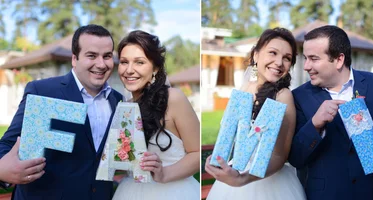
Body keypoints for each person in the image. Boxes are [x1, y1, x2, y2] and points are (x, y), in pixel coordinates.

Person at [0, 24, 122, 200]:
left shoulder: (118, 101)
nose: (101, 64)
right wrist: (3, 171)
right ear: (75, 58)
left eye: (107, 56)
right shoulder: (43, 91)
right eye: (91, 56)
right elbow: (7, 144)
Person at [289, 25, 373, 200]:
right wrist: (314, 125)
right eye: (305, 58)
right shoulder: (298, 97)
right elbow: (296, 158)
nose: (306, 66)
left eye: (313, 58)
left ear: (339, 59)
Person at [204, 27, 306, 200]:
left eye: (287, 58)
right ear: (256, 55)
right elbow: (229, 137)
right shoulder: (243, 91)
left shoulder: (283, 96)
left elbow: (280, 155)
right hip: (231, 180)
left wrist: (244, 178)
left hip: (269, 183)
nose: (279, 62)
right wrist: (218, 160)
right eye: (273, 53)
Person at [111, 30, 200, 199]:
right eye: (124, 62)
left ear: (155, 68)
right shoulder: (124, 108)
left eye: (139, 62)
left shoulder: (173, 99)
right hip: (130, 191)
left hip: (173, 191)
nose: (129, 70)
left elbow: (196, 152)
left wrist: (164, 173)